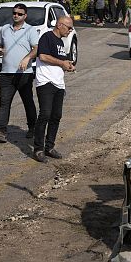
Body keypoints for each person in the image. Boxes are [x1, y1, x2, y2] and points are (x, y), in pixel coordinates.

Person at [0, 3, 38, 144]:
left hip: (24, 74)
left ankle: (33, 128)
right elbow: (0, 45)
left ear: (25, 16)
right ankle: (1, 132)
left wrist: (27, 58)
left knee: (27, 102)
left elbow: (36, 49)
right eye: (14, 13)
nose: (16, 15)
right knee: (4, 103)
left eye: (19, 14)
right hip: (6, 73)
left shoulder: (30, 30)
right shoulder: (4, 29)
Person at [33, 15, 76, 162]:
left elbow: (59, 61)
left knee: (56, 116)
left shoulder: (60, 42)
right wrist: (61, 63)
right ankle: (38, 149)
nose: (70, 31)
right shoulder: (47, 37)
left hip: (59, 83)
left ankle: (49, 147)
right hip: (46, 82)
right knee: (45, 114)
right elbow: (43, 56)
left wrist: (67, 64)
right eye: (69, 27)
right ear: (59, 25)